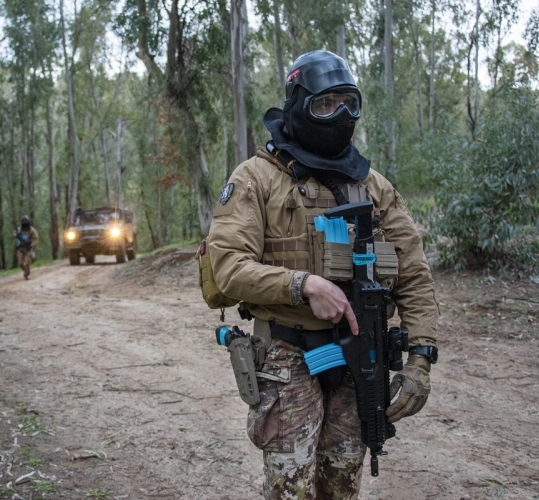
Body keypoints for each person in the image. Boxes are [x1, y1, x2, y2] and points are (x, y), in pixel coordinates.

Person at [207, 50, 438, 499]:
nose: (341, 116)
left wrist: (421, 360)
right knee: (291, 489)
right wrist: (303, 285)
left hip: (360, 363)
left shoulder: (374, 187)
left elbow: (413, 274)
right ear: (298, 104)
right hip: (286, 356)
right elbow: (228, 267)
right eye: (326, 105)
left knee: (341, 484)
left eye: (350, 103)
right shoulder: (257, 179)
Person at [13, 215, 39, 280]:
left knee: (27, 263)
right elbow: (13, 234)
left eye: (26, 221)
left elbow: (36, 239)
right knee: (20, 263)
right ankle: (26, 271)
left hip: (29, 248)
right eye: (23, 221)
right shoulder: (19, 229)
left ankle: (27, 273)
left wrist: (32, 245)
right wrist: (16, 235)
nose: (25, 223)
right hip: (21, 248)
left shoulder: (32, 230)